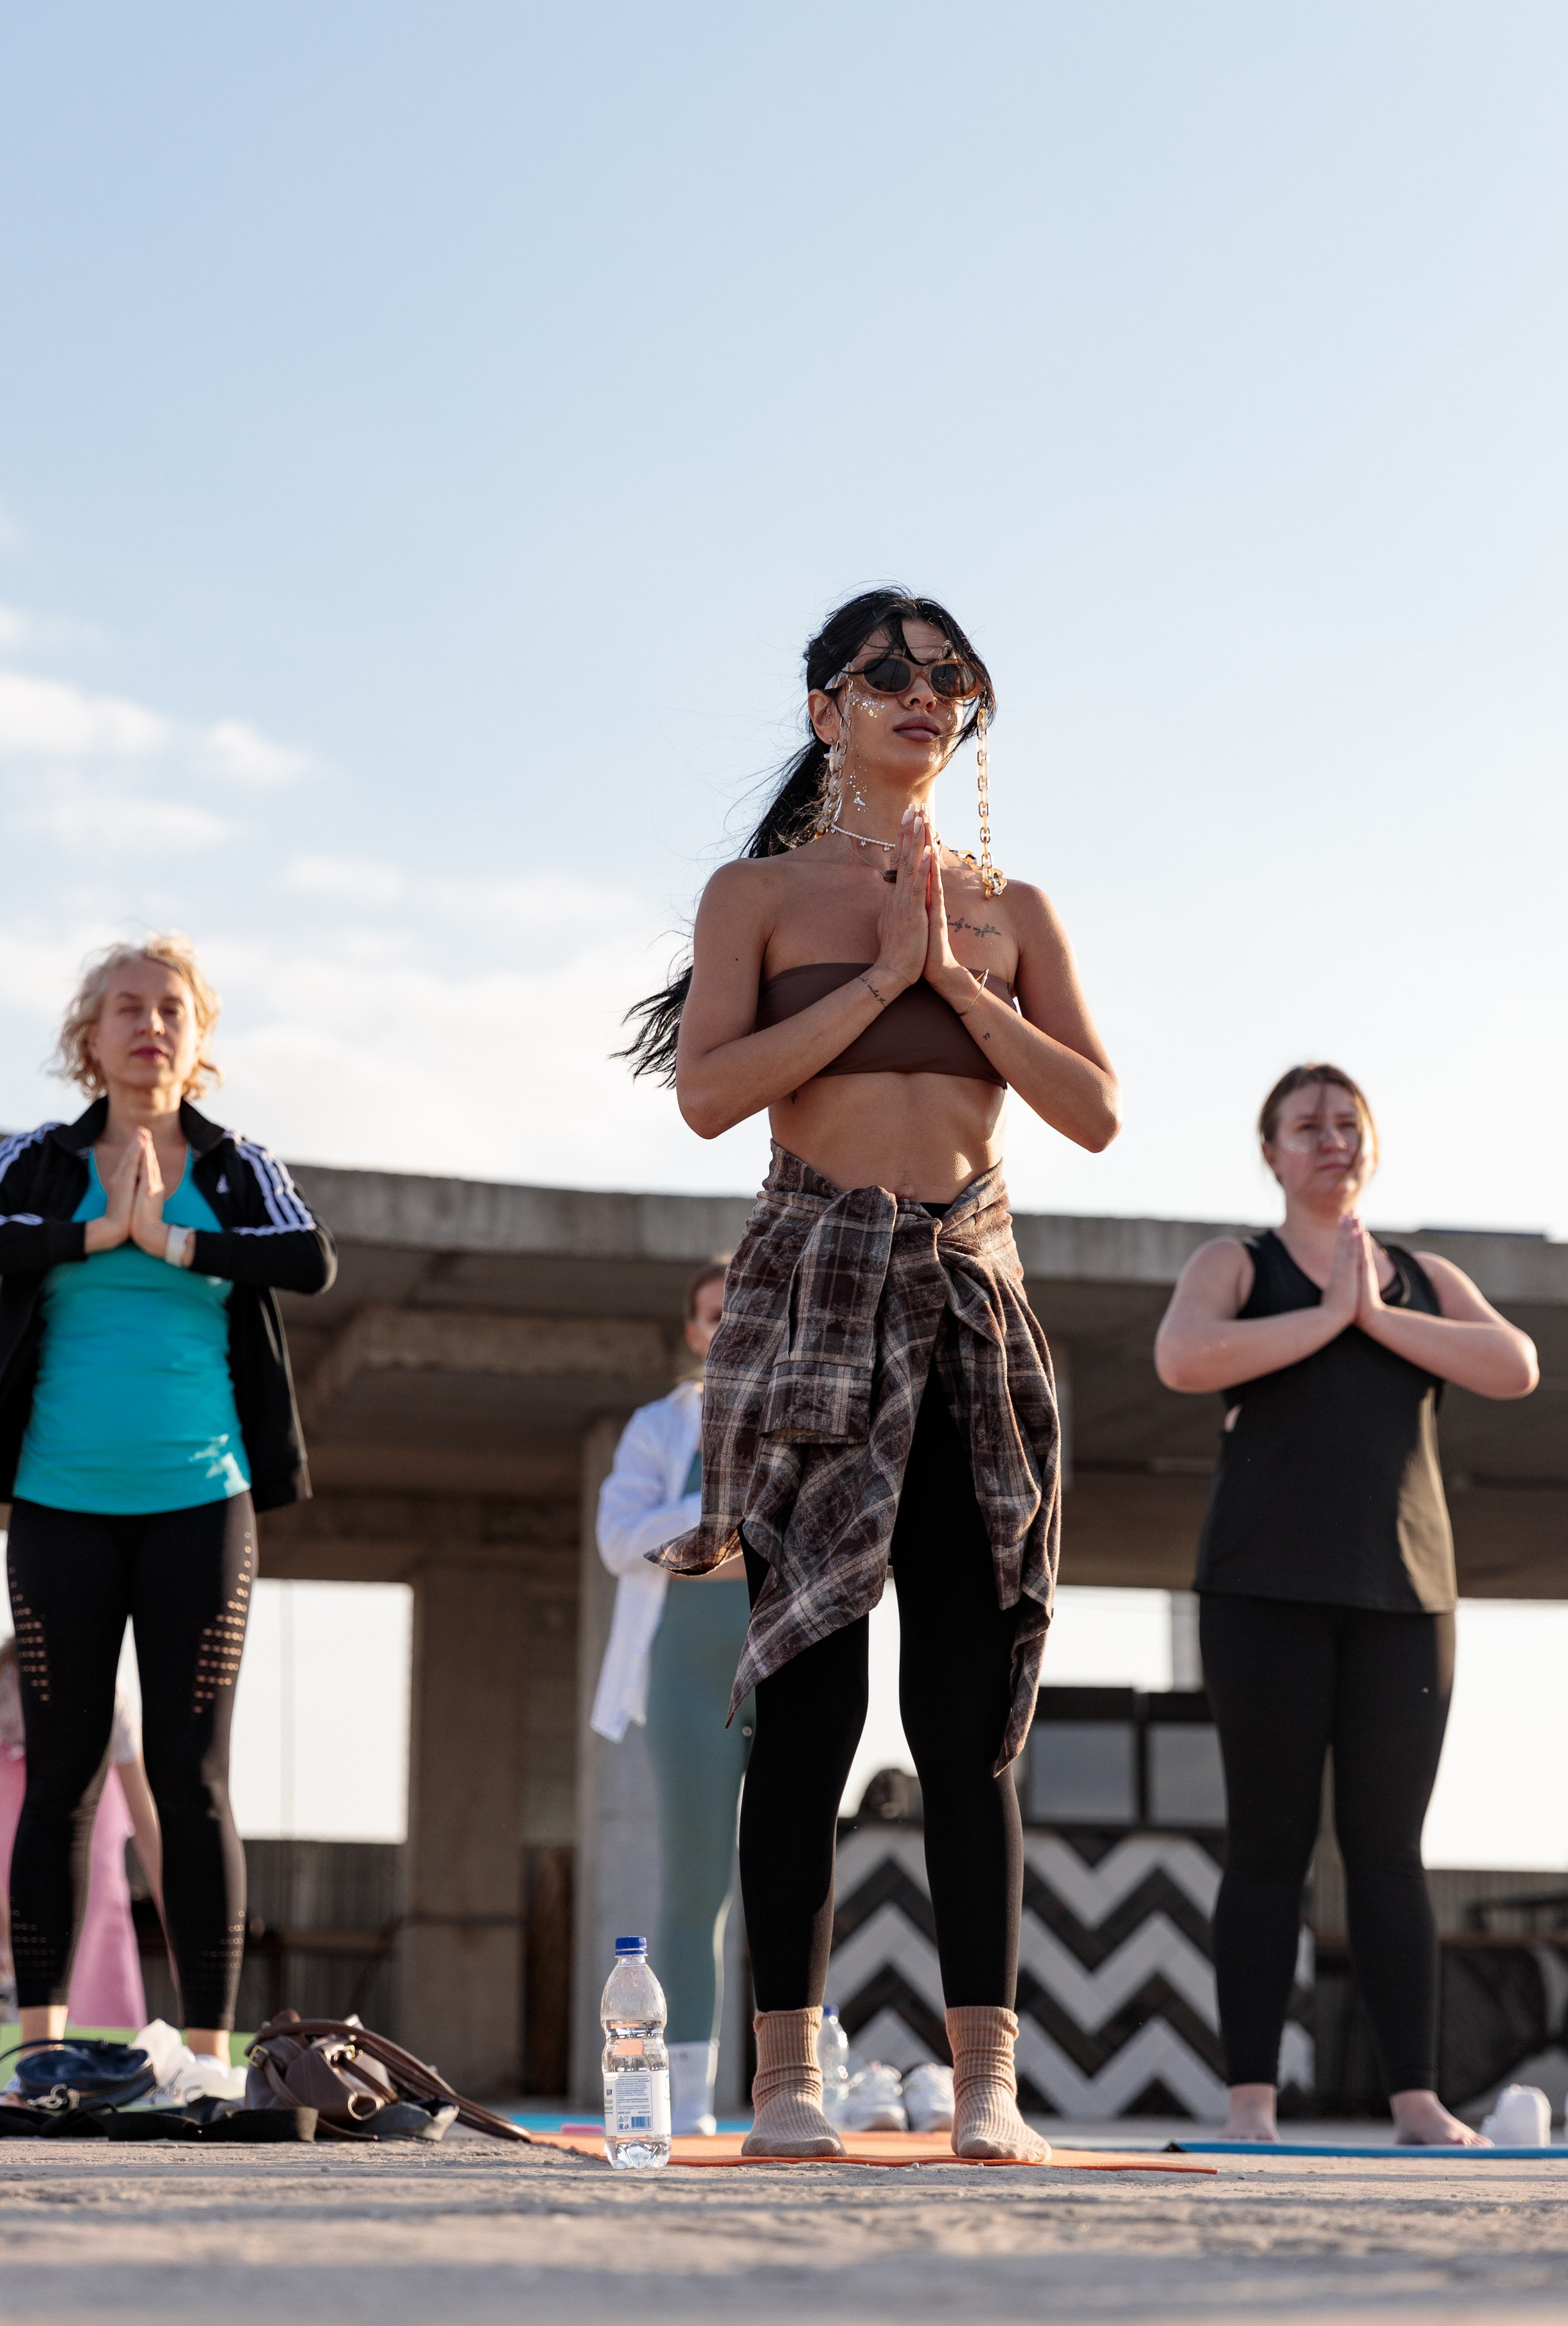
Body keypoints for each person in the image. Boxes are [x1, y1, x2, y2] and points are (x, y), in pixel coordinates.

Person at [618, 589, 1118, 2159]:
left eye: (947, 675)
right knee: (808, 1701)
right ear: (823, 706)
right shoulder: (753, 894)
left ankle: (987, 2087)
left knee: (964, 1714)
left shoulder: (1013, 907)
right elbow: (707, 1094)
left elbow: (1094, 1111)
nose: (921, 693)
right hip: (812, 1298)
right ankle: (785, 2081)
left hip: (967, 1295)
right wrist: (872, 977)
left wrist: (955, 983)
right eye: (885, 671)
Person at [0, 934, 335, 2088]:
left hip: (202, 1503)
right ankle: (39, 2047)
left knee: (190, 1777)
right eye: (126, 1008)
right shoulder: (39, 1160)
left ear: (198, 1040)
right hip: (60, 1504)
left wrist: (174, 1241)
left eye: (171, 1009)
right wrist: (97, 1236)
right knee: (58, 1773)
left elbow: (310, 1260)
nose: (150, 1024)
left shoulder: (237, 1165)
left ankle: (207, 2056)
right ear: (89, 1036)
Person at [1154, 1062, 1538, 2147]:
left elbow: (1513, 1364)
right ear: (1271, 1153)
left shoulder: (1422, 1276)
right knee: (1269, 1843)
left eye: (1347, 1124)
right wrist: (1328, 1317)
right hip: (1261, 1589)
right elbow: (1183, 1357)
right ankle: (1251, 2102)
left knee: (1389, 1849)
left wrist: (1368, 1313)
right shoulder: (1238, 1263)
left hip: (1405, 1595)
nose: (1332, 1141)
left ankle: (1416, 2100)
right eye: (1308, 1126)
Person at [591, 1260, 747, 2136]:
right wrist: (730, 1520)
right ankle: (688, 2097)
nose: (729, 1325)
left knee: (795, 1882)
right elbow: (619, 1540)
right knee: (695, 1885)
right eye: (715, 1315)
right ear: (693, 1331)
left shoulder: (810, 1413)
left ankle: (799, 2079)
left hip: (787, 1666)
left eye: (745, 1309)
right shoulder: (658, 1427)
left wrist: (691, 1531)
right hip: (685, 1680)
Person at [0, 1639, 160, 2084]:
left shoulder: (109, 1695)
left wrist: (178, 1924)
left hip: (92, 1822)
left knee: (96, 1918)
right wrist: (6, 1932)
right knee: (12, 1917)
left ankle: (103, 2065)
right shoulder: (0, 1691)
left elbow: (147, 1825)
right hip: (15, 1829)